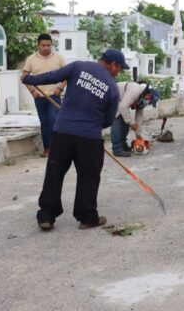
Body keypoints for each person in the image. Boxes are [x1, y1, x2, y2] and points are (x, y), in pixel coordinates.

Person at [21, 48, 127, 231]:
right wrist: (89, 125)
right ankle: (87, 217)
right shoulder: (112, 87)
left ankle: (46, 216)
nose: (119, 72)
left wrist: (29, 79)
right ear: (113, 64)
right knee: (89, 177)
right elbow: (108, 121)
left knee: (54, 174)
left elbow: (52, 76)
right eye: (119, 68)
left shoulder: (79, 66)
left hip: (62, 133)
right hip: (89, 138)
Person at [22, 33, 67, 157]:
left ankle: (56, 149)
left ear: (51, 44)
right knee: (45, 123)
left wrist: (60, 88)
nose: (46, 47)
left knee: (54, 121)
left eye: (48, 45)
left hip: (54, 95)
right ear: (38, 45)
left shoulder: (59, 58)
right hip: (39, 97)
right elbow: (24, 77)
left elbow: (67, 76)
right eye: (43, 45)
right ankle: (47, 148)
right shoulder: (31, 59)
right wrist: (32, 91)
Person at [111, 81, 160, 156]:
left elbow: (139, 117)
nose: (148, 102)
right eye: (150, 100)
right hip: (113, 96)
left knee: (126, 124)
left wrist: (138, 135)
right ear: (149, 94)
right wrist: (131, 122)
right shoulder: (136, 90)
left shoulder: (143, 98)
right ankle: (117, 149)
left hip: (121, 102)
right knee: (118, 121)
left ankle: (123, 145)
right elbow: (123, 106)